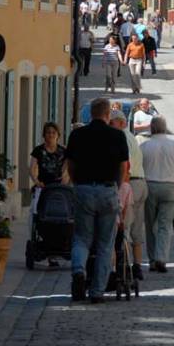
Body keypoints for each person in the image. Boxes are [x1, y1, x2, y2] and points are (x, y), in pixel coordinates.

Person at [66, 98, 129, 304]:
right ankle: (97, 292)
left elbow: (71, 165)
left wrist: (77, 183)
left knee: (82, 238)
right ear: (107, 114)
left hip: (83, 188)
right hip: (107, 189)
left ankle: (78, 270)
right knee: (105, 244)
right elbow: (122, 166)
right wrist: (117, 186)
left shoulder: (77, 134)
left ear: (91, 114)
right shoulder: (117, 136)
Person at [110, 110, 148, 280]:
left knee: (123, 226)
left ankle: (123, 266)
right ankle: (137, 265)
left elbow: (125, 166)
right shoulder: (132, 137)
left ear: (121, 123)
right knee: (137, 227)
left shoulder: (121, 138)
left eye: (112, 123)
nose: (109, 126)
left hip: (128, 183)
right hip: (140, 182)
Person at [141, 116, 174, 272]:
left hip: (150, 184)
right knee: (165, 225)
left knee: (150, 224)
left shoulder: (145, 146)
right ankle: (161, 257)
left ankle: (152, 259)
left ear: (151, 128)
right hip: (170, 186)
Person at [30, 122, 69, 267]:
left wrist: (65, 179)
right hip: (44, 187)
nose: (50, 135)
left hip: (59, 188)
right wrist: (36, 180)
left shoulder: (63, 151)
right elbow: (32, 167)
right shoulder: (38, 151)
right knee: (39, 214)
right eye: (48, 132)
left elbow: (67, 168)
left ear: (58, 135)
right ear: (44, 135)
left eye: (53, 133)